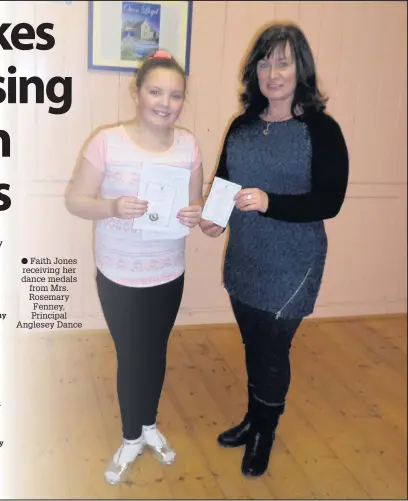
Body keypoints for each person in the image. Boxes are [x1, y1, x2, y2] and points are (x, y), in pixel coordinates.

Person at [200, 23, 349, 477]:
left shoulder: (321, 129)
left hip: (294, 263)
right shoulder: (242, 126)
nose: (272, 72)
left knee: (272, 349)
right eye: (264, 62)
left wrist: (269, 201)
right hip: (246, 256)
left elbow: (330, 200)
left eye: (283, 61)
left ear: (300, 68)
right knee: (252, 343)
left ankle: (266, 429)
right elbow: (225, 183)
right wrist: (213, 217)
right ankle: (252, 418)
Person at [65, 50, 203, 485]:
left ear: (183, 100)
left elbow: (194, 204)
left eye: (175, 95)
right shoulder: (107, 141)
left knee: (156, 351)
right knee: (132, 356)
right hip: (119, 274)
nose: (165, 102)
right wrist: (112, 206)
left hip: (167, 271)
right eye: (156, 91)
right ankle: (130, 437)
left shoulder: (189, 145)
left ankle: (147, 425)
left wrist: (193, 215)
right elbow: (75, 200)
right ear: (137, 92)